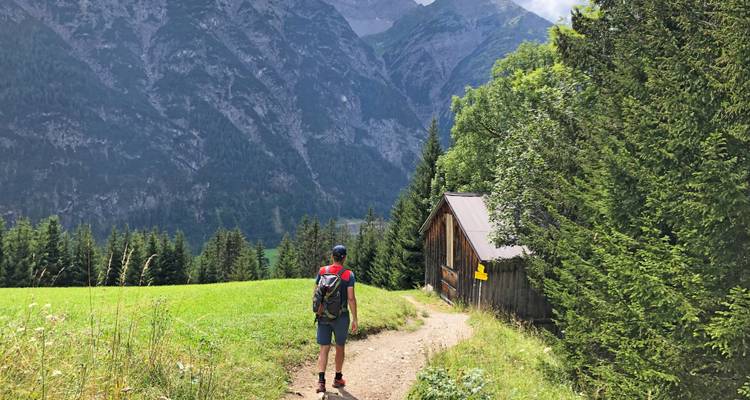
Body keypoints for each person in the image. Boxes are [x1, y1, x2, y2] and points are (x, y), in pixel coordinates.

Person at [315, 244, 358, 394]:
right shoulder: (348, 275)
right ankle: (337, 378)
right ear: (344, 258)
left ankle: (321, 382)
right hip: (341, 317)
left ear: (332, 257)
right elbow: (351, 299)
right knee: (340, 346)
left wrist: (318, 311)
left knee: (324, 349)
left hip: (323, 316)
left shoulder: (322, 271)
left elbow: (316, 294)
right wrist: (355, 319)